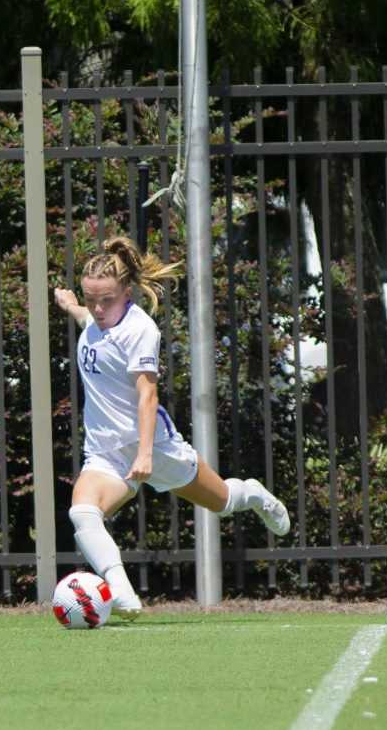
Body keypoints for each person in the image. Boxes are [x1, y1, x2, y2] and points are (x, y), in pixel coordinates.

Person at [51, 235, 289, 619]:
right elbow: (88, 322)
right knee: (83, 512)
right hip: (106, 451)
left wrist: (145, 453)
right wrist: (72, 305)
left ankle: (254, 494)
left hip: (156, 448)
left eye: (106, 300)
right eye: (90, 298)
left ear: (127, 292)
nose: (97, 308)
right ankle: (124, 599)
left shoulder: (140, 330)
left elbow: (148, 396)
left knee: (222, 503)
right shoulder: (95, 318)